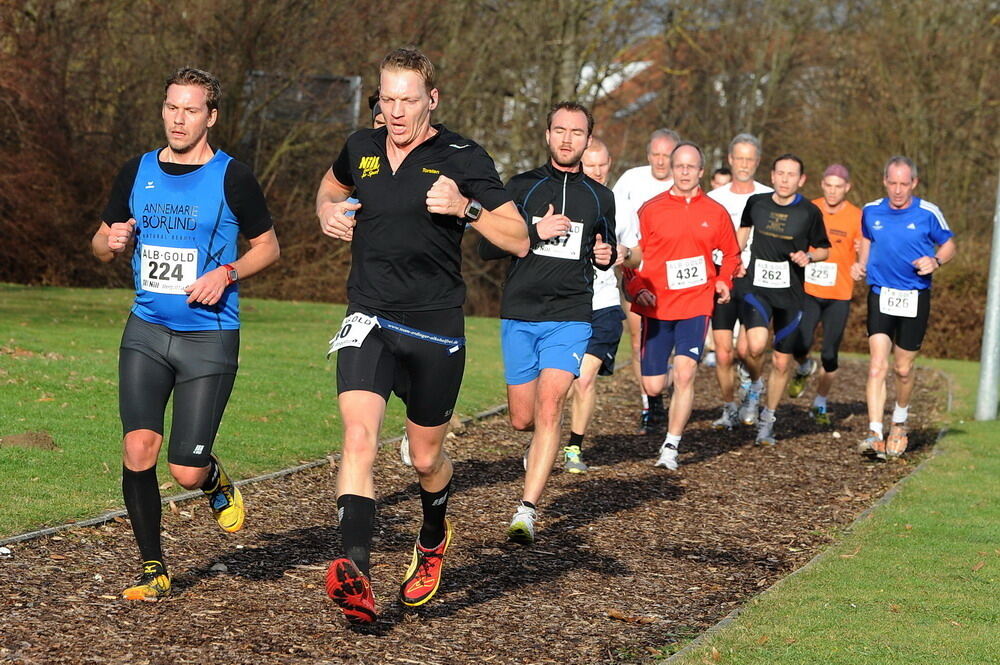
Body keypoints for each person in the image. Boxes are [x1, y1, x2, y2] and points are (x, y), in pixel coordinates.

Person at [316, 48, 529, 623]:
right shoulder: (361, 146)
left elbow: (519, 238)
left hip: (435, 327)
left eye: (409, 100)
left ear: (432, 99)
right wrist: (328, 212)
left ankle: (433, 533)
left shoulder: (463, 155)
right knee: (359, 437)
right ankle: (355, 571)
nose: (397, 111)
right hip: (370, 318)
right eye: (388, 99)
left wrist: (468, 208)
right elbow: (330, 187)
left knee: (426, 458)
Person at [90, 67, 280, 600]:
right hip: (146, 331)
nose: (179, 118)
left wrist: (228, 272)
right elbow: (100, 244)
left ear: (210, 116)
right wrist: (115, 241)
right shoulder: (136, 171)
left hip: (208, 338)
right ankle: (154, 568)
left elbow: (269, 247)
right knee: (138, 449)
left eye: (191, 109)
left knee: (185, 472)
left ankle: (212, 477)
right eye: (172, 107)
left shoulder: (232, 177)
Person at [480, 101, 615, 543]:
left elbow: (606, 250)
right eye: (560, 130)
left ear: (587, 140)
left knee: (552, 403)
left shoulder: (600, 196)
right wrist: (534, 231)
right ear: (547, 135)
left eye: (576, 132)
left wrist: (605, 255)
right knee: (523, 419)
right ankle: (537, 446)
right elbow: (486, 248)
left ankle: (527, 509)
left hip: (571, 315)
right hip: (520, 312)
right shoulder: (521, 187)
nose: (567, 139)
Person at [623, 142, 740, 469]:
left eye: (691, 167)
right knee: (653, 383)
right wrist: (635, 287)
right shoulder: (650, 209)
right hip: (658, 306)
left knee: (686, 372)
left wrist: (723, 280)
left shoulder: (715, 213)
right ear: (672, 170)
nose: (685, 172)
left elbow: (731, 255)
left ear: (701, 171)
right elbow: (631, 258)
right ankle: (656, 400)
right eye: (680, 166)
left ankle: (671, 446)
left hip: (696, 304)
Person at [851, 156, 955, 458]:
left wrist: (935, 260)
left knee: (903, 369)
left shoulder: (928, 212)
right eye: (892, 183)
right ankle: (874, 433)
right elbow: (867, 239)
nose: (898, 190)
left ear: (914, 183)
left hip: (914, 296)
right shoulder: (871, 210)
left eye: (904, 184)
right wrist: (861, 264)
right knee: (876, 366)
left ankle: (899, 422)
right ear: (885, 181)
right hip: (881, 293)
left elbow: (949, 244)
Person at [736, 154, 830, 445]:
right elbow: (741, 234)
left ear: (801, 180)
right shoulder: (756, 203)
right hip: (757, 287)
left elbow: (824, 249)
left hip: (790, 295)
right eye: (781, 173)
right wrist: (733, 259)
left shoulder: (809, 212)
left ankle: (768, 420)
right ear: (773, 176)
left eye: (792, 174)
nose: (786, 179)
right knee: (754, 346)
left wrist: (809, 256)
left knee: (780, 361)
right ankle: (755, 384)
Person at [564, 138, 639, 473]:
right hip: (567, 304)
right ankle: (540, 438)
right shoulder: (567, 197)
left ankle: (573, 449)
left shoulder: (620, 205)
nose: (595, 170)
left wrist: (625, 254)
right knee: (560, 383)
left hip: (605, 304)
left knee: (584, 379)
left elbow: (639, 254)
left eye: (601, 164)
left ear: (610, 164)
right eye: (589, 164)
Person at [612, 129, 680, 432]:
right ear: (648, 153)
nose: (661, 161)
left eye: (667, 155)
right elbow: (610, 214)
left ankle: (671, 394)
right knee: (640, 337)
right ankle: (649, 405)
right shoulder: (631, 180)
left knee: (675, 343)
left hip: (676, 275)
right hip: (637, 270)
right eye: (656, 154)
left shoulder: (685, 179)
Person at [785, 164, 862, 425]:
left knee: (830, 353)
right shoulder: (809, 208)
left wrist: (860, 263)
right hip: (809, 291)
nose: (832, 191)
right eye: (828, 186)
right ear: (822, 185)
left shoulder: (856, 216)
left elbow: (865, 248)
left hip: (839, 294)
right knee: (800, 344)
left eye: (838, 186)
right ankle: (804, 366)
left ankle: (820, 402)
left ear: (847, 188)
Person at [707, 134, 773, 429]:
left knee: (750, 349)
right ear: (730, 160)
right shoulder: (714, 199)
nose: (744, 164)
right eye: (739, 158)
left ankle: (755, 387)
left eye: (750, 159)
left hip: (757, 281)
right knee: (723, 353)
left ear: (757, 162)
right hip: (723, 280)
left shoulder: (769, 196)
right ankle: (729, 407)